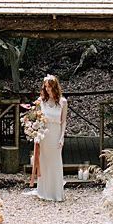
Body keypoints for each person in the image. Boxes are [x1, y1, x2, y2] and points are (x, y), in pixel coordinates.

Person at [35, 74, 67, 202]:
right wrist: (35, 132)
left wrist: (62, 137)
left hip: (56, 134)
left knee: (55, 163)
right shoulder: (41, 101)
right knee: (44, 163)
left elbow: (63, 121)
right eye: (46, 87)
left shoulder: (63, 102)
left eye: (49, 87)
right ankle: (43, 192)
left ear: (55, 87)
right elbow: (35, 118)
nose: (47, 89)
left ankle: (56, 193)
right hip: (44, 135)